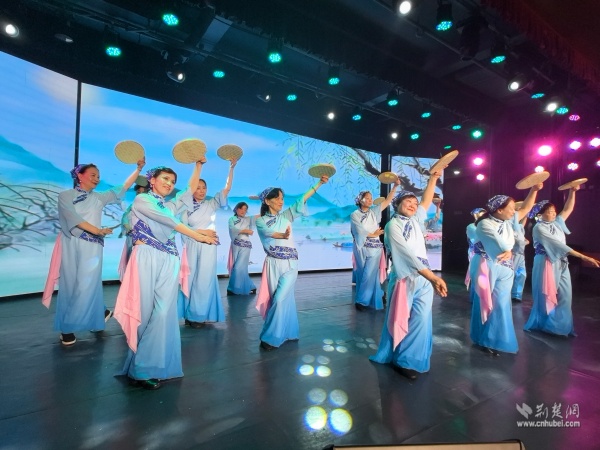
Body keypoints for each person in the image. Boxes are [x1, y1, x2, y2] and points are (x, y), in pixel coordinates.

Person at [114, 164, 217, 390]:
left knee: (163, 313)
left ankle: (146, 367)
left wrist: (198, 166)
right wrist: (198, 235)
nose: (169, 184)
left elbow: (188, 191)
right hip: (146, 257)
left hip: (170, 258)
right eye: (165, 179)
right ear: (152, 180)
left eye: (172, 181)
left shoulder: (169, 205)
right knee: (145, 313)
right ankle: (141, 368)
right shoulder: (142, 200)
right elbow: (170, 222)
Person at [42, 160, 145, 346]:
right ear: (79, 176)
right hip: (71, 243)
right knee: (71, 284)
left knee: (89, 284)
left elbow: (123, 187)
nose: (97, 179)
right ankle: (68, 327)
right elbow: (72, 218)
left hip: (93, 246)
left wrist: (138, 169)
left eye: (98, 176)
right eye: (93, 175)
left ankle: (95, 316)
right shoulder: (65, 196)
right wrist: (97, 230)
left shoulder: (99, 197)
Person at [370, 170, 447, 380]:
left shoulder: (416, 220)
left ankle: (409, 360)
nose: (414, 205)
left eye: (415, 202)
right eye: (408, 202)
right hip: (405, 278)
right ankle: (397, 357)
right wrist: (433, 278)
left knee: (421, 319)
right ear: (397, 204)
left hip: (424, 277)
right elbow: (406, 256)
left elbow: (427, 200)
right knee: (400, 317)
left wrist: (433, 179)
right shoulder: (392, 226)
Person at [254, 176, 329, 350]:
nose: (281, 201)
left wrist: (319, 183)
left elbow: (301, 199)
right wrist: (282, 235)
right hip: (273, 264)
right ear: (267, 201)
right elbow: (268, 233)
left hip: (291, 264)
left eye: (282, 198)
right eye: (277, 198)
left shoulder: (286, 216)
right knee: (279, 299)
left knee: (280, 299)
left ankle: (270, 337)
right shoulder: (260, 221)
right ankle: (288, 332)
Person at [469, 184, 542, 356]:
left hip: (506, 266)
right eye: (510, 208)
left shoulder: (508, 221)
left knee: (501, 304)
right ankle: (481, 338)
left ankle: (494, 339)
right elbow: (497, 242)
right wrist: (507, 251)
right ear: (499, 210)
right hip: (486, 264)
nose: (513, 211)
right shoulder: (484, 224)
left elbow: (526, 208)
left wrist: (534, 190)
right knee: (485, 302)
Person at [524, 188, 600, 336]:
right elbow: (559, 246)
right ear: (539, 215)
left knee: (565, 295)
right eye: (549, 212)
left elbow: (567, 209)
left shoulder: (557, 223)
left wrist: (572, 192)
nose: (553, 214)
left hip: (561, 261)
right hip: (546, 262)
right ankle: (545, 325)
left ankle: (560, 327)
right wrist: (584, 257)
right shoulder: (539, 228)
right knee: (547, 295)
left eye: (554, 211)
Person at [179, 157, 238, 328]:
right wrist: (201, 232)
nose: (201, 191)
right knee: (190, 279)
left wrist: (231, 168)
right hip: (191, 244)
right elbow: (182, 227)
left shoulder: (211, 204)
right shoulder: (185, 207)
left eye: (204, 188)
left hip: (208, 246)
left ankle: (198, 315)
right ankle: (188, 314)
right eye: (197, 187)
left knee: (204, 281)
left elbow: (227, 188)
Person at [350, 179, 400, 311]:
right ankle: (378, 295)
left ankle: (362, 301)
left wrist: (395, 186)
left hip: (375, 248)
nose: (370, 200)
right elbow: (358, 230)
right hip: (360, 247)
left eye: (371, 198)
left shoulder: (374, 211)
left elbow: (387, 201)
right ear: (360, 200)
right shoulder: (354, 215)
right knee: (362, 274)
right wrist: (373, 234)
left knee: (369, 274)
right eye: (367, 198)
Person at [118, 182, 149, 281]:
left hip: (145, 239)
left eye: (142, 192)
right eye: (138, 192)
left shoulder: (151, 205)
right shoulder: (132, 205)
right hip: (132, 237)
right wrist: (127, 226)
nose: (139, 194)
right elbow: (125, 217)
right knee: (131, 262)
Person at [226, 201, 257, 295]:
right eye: (241, 208)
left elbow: (259, 217)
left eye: (245, 209)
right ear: (236, 209)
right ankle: (250, 286)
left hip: (246, 245)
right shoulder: (232, 219)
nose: (243, 211)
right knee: (237, 266)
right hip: (235, 244)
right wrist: (245, 230)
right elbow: (232, 229)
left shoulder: (248, 219)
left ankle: (234, 288)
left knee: (239, 267)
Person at [510, 204, 529, 302]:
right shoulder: (510, 223)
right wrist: (525, 242)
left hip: (521, 253)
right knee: (511, 274)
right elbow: (517, 240)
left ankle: (517, 295)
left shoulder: (519, 226)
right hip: (514, 253)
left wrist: (526, 214)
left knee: (522, 274)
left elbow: (522, 224)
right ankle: (507, 294)